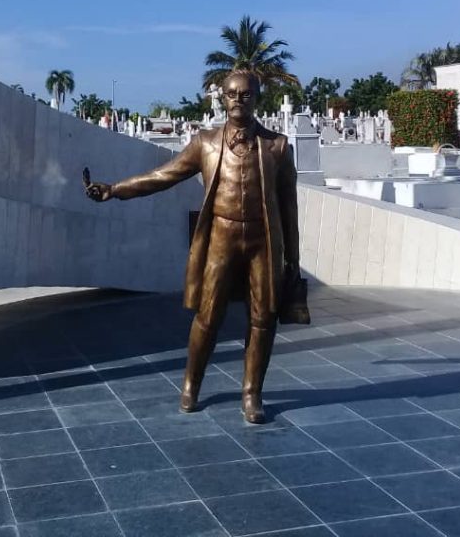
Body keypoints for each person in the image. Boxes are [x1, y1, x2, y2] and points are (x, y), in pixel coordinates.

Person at [84, 69, 305, 423]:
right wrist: (115, 190)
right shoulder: (205, 142)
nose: (237, 100)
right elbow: (163, 176)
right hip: (221, 235)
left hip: (263, 240)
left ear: (256, 98)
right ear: (223, 98)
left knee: (263, 318)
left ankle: (252, 394)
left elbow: (289, 206)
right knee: (208, 315)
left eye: (245, 94)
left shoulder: (277, 146)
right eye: (231, 94)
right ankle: (192, 384)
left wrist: (292, 258)